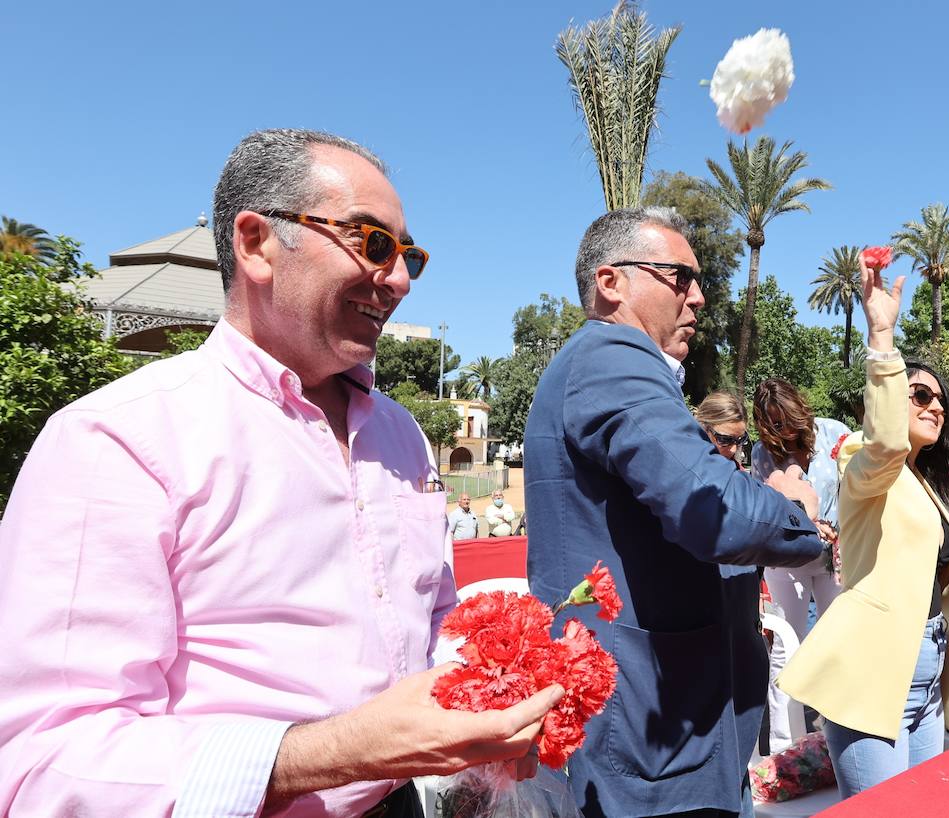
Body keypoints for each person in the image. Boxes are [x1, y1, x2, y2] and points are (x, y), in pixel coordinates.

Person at [0, 129, 561, 816]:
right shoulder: (117, 440)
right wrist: (331, 754)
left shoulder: (402, 436)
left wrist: (489, 694)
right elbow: (43, 764)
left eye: (410, 254)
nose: (402, 280)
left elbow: (434, 615)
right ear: (257, 242)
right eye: (373, 243)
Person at [523, 207, 824, 818]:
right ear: (612, 283)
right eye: (679, 277)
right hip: (646, 730)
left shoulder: (603, 365)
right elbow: (715, 509)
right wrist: (799, 517)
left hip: (655, 722)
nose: (699, 297)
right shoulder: (612, 356)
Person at [777, 256, 949, 799]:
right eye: (919, 394)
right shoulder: (865, 459)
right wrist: (882, 337)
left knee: (922, 805)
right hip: (877, 665)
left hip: (927, 664)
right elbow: (883, 443)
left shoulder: (922, 485)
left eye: (940, 402)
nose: (935, 406)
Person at [750, 378, 850, 751]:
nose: (786, 429)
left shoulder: (834, 434)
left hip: (833, 555)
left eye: (790, 418)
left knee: (838, 640)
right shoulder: (763, 454)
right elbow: (776, 503)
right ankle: (782, 743)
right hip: (787, 557)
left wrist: (843, 534)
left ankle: (839, 731)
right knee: (786, 644)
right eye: (776, 423)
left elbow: (854, 488)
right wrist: (807, 523)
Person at [694, 391, 751, 468]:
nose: (733, 449)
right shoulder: (683, 470)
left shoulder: (736, 471)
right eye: (725, 439)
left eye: (741, 439)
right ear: (703, 429)